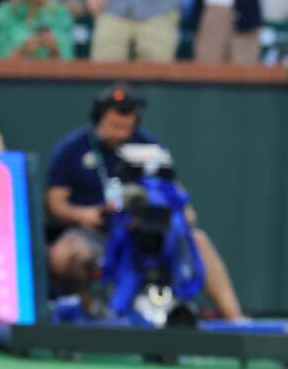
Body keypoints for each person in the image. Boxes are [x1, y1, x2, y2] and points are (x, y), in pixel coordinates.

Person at [45, 85, 243, 319]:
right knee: (64, 253)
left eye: (127, 127)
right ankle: (89, 314)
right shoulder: (73, 149)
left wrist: (183, 213)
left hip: (142, 232)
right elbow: (55, 203)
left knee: (198, 241)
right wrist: (83, 215)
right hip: (96, 232)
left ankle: (235, 318)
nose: (121, 133)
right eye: (115, 126)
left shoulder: (149, 146)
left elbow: (176, 192)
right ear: (99, 118)